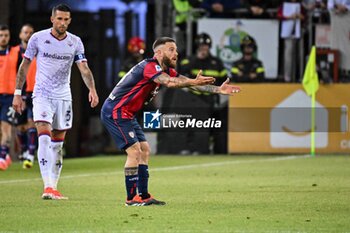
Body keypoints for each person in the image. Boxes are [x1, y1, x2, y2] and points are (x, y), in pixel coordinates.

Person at [100, 37, 241, 206]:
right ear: (158, 53)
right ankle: (131, 199)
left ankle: (143, 196)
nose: (176, 53)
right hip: (115, 111)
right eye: (171, 50)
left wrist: (218, 89)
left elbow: (187, 83)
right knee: (134, 152)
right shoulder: (149, 67)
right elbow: (170, 83)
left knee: (144, 150)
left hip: (127, 113)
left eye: (176, 49)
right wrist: (192, 81)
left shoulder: (164, 69)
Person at [12, 4, 99, 199]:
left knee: (58, 144)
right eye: (59, 19)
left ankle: (54, 187)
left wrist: (92, 89)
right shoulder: (38, 38)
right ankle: (47, 186)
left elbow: (83, 68)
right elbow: (24, 66)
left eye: (66, 19)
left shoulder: (75, 42)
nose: (63, 23)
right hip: (41, 94)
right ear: (52, 19)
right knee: (43, 133)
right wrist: (17, 92)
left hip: (63, 96)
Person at [178, 32, 228, 154]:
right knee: (189, 124)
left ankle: (207, 147)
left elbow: (223, 82)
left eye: (205, 46)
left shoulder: (217, 63)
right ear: (197, 47)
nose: (203, 49)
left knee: (209, 125)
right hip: (192, 99)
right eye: (201, 46)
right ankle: (188, 147)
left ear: (209, 47)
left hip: (209, 99)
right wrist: (196, 59)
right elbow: (181, 76)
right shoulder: (188, 61)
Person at [15, 23, 38, 169]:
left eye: (31, 33)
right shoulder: (15, 53)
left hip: (34, 91)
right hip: (19, 93)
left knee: (31, 122)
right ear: (20, 35)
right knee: (20, 126)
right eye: (25, 32)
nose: (28, 35)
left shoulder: (38, 51)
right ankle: (24, 150)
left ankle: (30, 153)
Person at [0, 24, 20, 171]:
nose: (3, 38)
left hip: (8, 97)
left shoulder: (15, 52)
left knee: (6, 128)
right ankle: (5, 155)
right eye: (1, 35)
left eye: (6, 35)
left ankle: (2, 157)